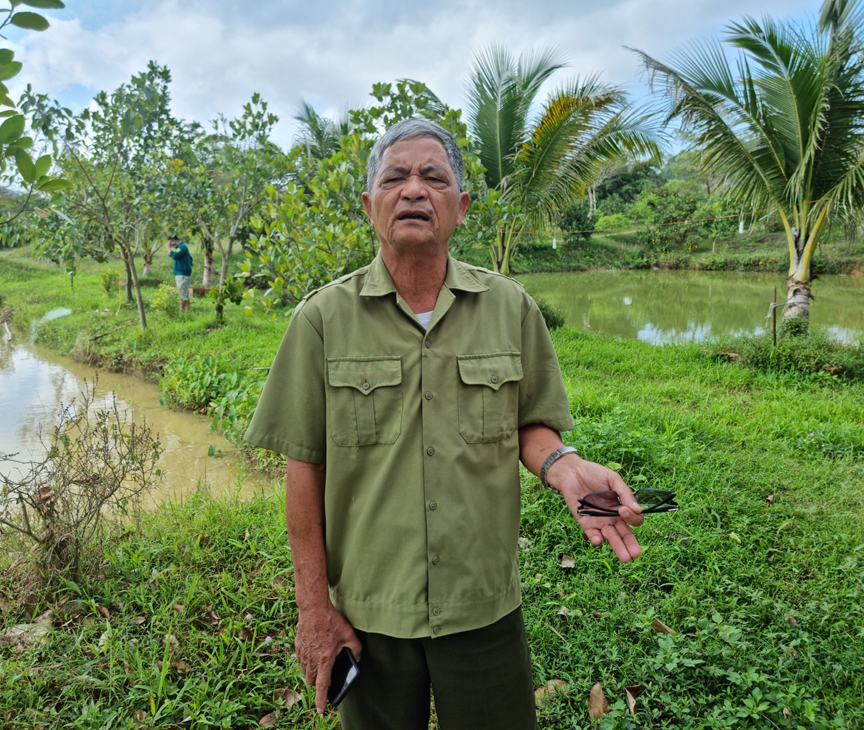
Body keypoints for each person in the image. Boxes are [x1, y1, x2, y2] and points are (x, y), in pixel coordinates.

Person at [244, 119, 644, 730]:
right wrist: (313, 608)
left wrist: (564, 466)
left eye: (433, 177)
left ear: (459, 207)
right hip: (372, 613)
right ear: (368, 204)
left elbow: (531, 429)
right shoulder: (321, 320)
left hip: (482, 607)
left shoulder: (511, 309)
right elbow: (306, 470)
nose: (413, 190)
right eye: (394, 177)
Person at [166, 234, 192, 313]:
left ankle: (180, 313)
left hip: (182, 274)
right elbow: (175, 254)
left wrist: (168, 248)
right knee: (185, 294)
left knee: (181, 295)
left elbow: (175, 256)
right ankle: (187, 312)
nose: (169, 243)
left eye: (170, 241)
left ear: (173, 240)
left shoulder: (182, 247)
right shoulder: (180, 247)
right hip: (182, 274)